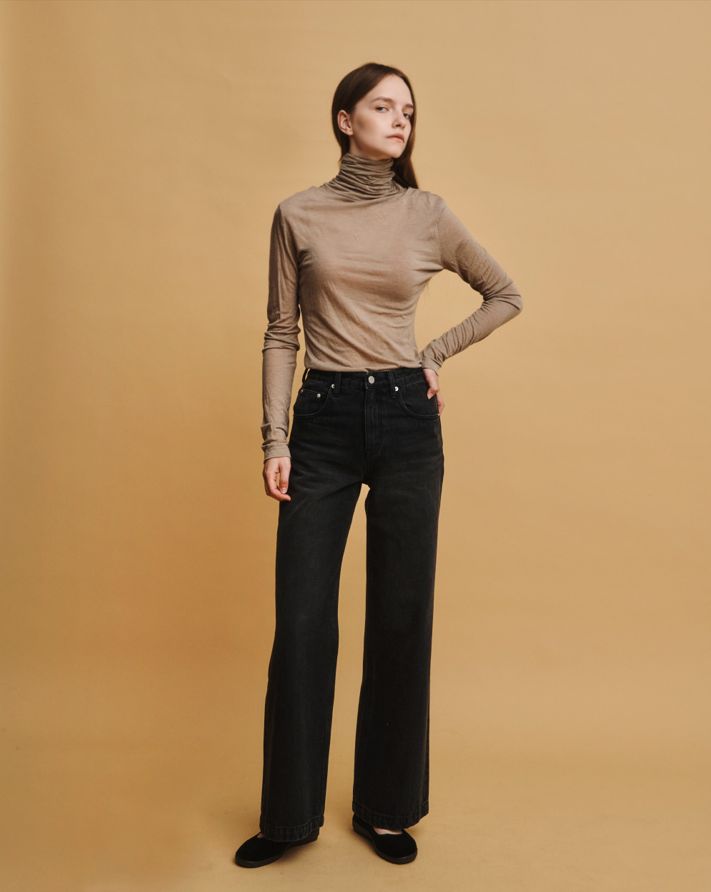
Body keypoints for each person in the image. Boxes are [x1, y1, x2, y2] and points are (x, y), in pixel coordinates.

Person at [235, 62, 523, 869]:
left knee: (400, 617)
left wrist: (433, 353)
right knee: (302, 622)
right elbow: (281, 333)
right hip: (322, 422)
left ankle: (387, 809)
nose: (399, 121)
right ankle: (287, 818)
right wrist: (275, 440)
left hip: (404, 420)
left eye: (408, 111)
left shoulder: (426, 213)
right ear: (344, 119)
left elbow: (504, 294)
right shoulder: (297, 214)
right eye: (382, 107)